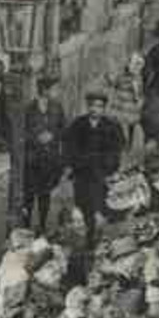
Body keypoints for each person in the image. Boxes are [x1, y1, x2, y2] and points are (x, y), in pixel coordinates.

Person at [64, 91, 126, 247]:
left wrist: (109, 167)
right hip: (82, 175)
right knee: (84, 207)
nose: (94, 109)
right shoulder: (78, 124)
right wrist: (77, 163)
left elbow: (116, 149)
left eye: (99, 106)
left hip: (102, 175)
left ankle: (99, 239)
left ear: (104, 108)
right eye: (92, 105)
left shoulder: (111, 126)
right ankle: (87, 240)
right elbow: (70, 147)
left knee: (101, 208)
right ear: (87, 106)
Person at [24, 74, 67, 233]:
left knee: (44, 193)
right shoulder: (29, 108)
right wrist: (36, 138)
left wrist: (53, 136)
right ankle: (26, 225)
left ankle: (42, 224)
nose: (56, 92)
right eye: (54, 89)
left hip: (50, 159)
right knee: (29, 194)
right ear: (44, 90)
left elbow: (64, 129)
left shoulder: (57, 107)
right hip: (32, 159)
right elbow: (23, 132)